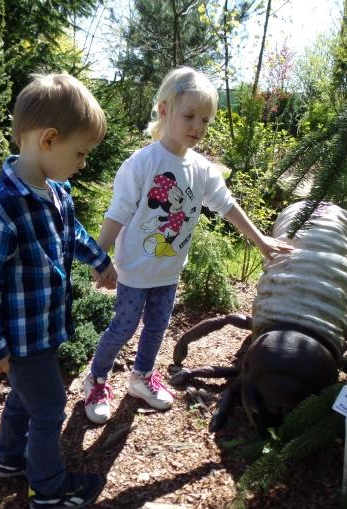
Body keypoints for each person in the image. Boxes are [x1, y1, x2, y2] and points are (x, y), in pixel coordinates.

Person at [83, 66, 293, 425]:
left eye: (206, 120)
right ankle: (97, 380)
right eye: (189, 115)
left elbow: (227, 206)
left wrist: (260, 242)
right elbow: (117, 214)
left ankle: (141, 378)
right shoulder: (141, 164)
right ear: (164, 111)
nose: (198, 126)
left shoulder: (203, 169)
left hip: (168, 271)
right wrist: (99, 258)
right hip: (133, 271)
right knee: (123, 327)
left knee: (156, 327)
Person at [0, 73, 116, 509]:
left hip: (45, 327)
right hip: (19, 338)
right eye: (81, 153)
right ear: (49, 139)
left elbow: (75, 235)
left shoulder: (56, 191)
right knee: (49, 410)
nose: (83, 163)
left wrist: (101, 261)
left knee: (25, 396)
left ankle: (10, 459)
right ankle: (49, 490)